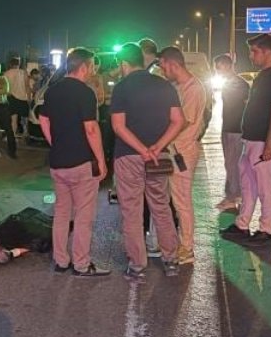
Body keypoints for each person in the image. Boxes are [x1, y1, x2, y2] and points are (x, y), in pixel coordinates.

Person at [110, 42, 184, 280]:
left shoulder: (122, 88)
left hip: (129, 156)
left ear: (124, 64)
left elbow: (118, 126)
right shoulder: (164, 85)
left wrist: (142, 149)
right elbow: (178, 120)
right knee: (161, 207)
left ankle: (137, 266)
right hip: (157, 157)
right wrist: (157, 147)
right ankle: (171, 260)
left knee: (132, 211)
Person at [40, 47, 110, 277]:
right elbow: (91, 129)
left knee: (62, 213)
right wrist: (101, 160)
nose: (93, 71)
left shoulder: (52, 91)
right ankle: (81, 264)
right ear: (84, 67)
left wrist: (55, 142)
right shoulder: (85, 93)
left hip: (58, 163)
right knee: (83, 216)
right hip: (80, 163)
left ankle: (61, 261)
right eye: (92, 66)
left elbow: (43, 119)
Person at [222, 33, 271, 244]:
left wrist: (269, 144)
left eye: (254, 51)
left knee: (265, 188)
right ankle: (242, 225)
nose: (251, 56)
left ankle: (266, 231)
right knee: (248, 185)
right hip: (252, 140)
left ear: (267, 51)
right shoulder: (263, 75)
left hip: (265, 142)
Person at [158, 46, 208, 265]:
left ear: (173, 64)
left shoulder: (193, 88)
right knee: (176, 200)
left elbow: (183, 122)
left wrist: (160, 143)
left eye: (163, 67)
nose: (162, 71)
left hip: (182, 152)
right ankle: (180, 243)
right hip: (176, 150)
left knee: (182, 201)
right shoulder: (180, 87)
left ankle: (186, 248)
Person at [214, 54, 250, 211]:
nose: (217, 71)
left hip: (237, 130)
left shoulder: (241, 84)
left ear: (228, 65)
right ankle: (231, 195)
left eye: (219, 67)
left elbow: (248, 106)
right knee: (229, 164)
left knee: (234, 164)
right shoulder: (228, 84)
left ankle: (234, 197)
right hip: (227, 128)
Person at [4, 57, 31, 140]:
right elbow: (27, 86)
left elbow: (5, 89)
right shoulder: (23, 73)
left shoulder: (6, 74)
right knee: (24, 119)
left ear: (10, 64)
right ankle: (25, 134)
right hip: (23, 99)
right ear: (19, 64)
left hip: (11, 99)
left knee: (13, 120)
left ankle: (13, 136)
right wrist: (29, 98)